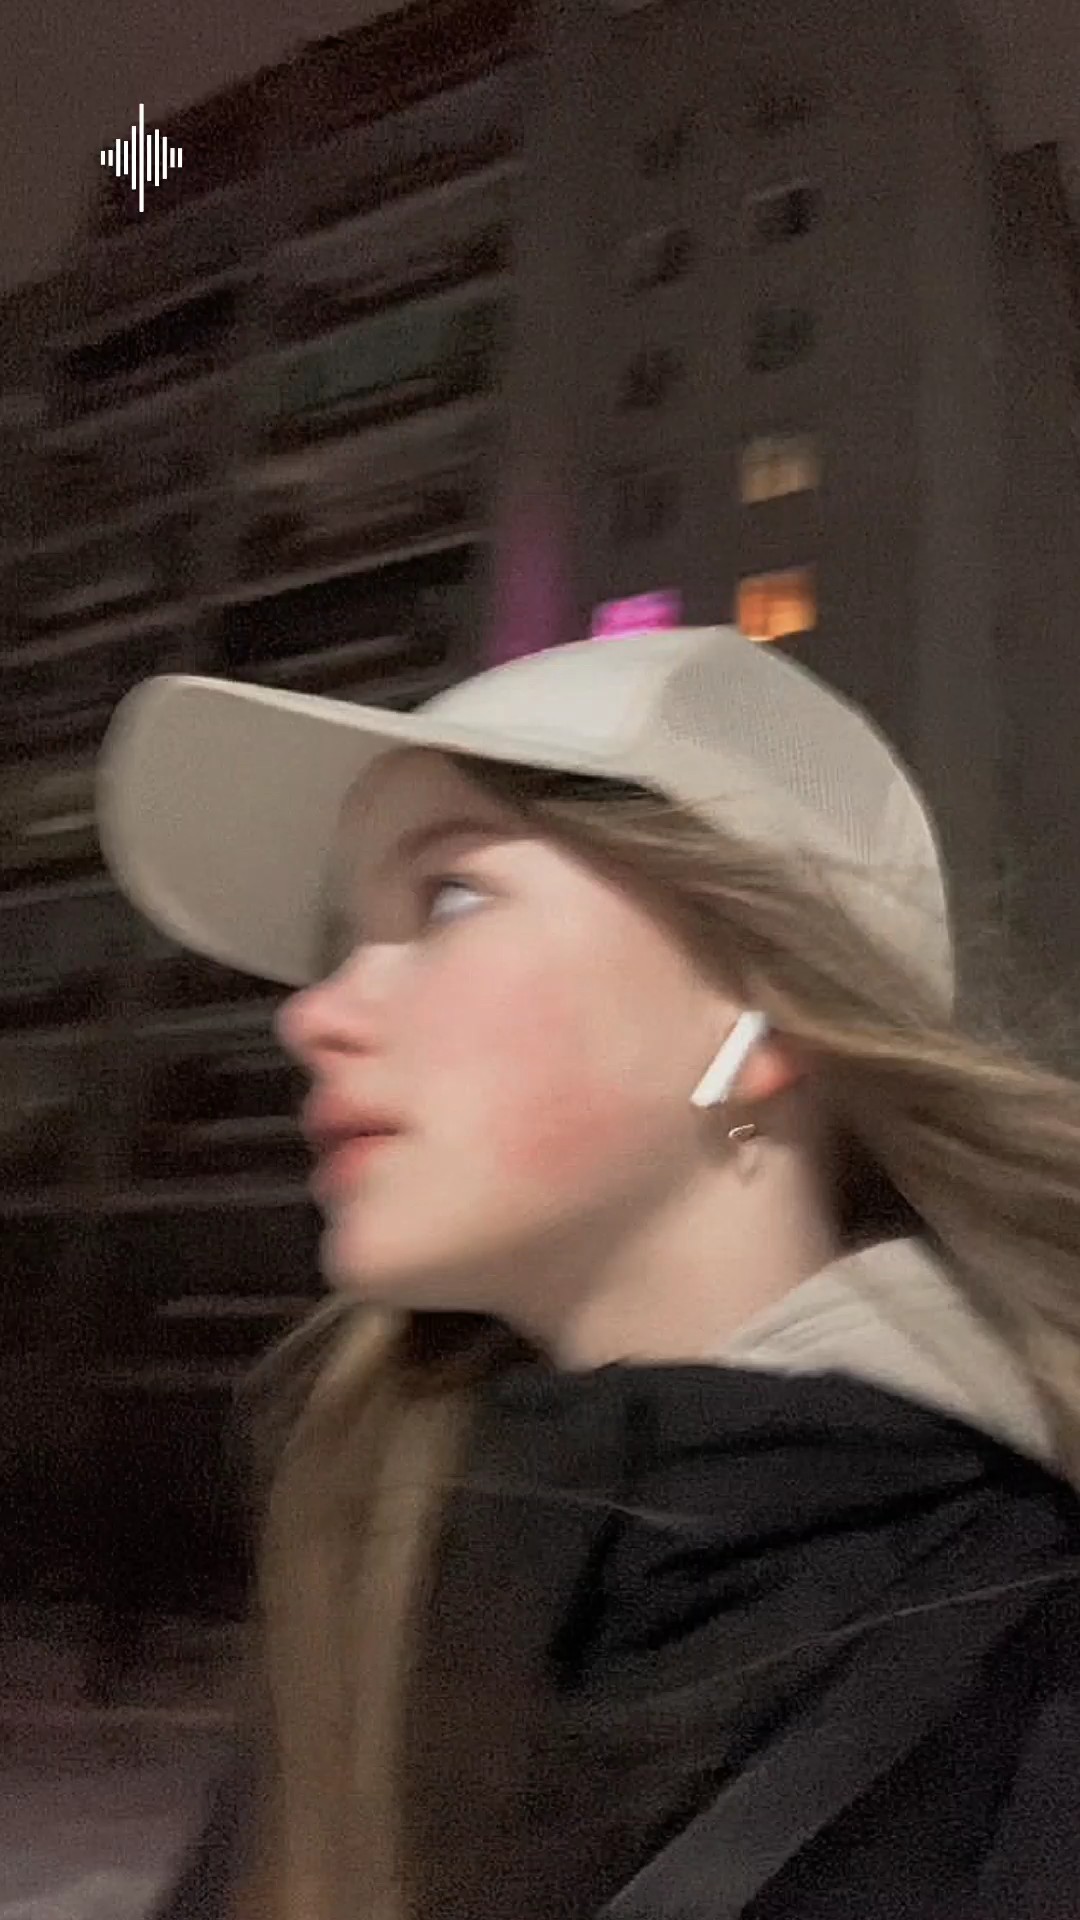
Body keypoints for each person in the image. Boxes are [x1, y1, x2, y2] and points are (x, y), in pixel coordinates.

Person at [97, 625, 1080, 1920]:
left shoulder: (1026, 1669)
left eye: (449, 898)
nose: (312, 1012)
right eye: (343, 939)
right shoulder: (369, 1587)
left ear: (758, 1008)